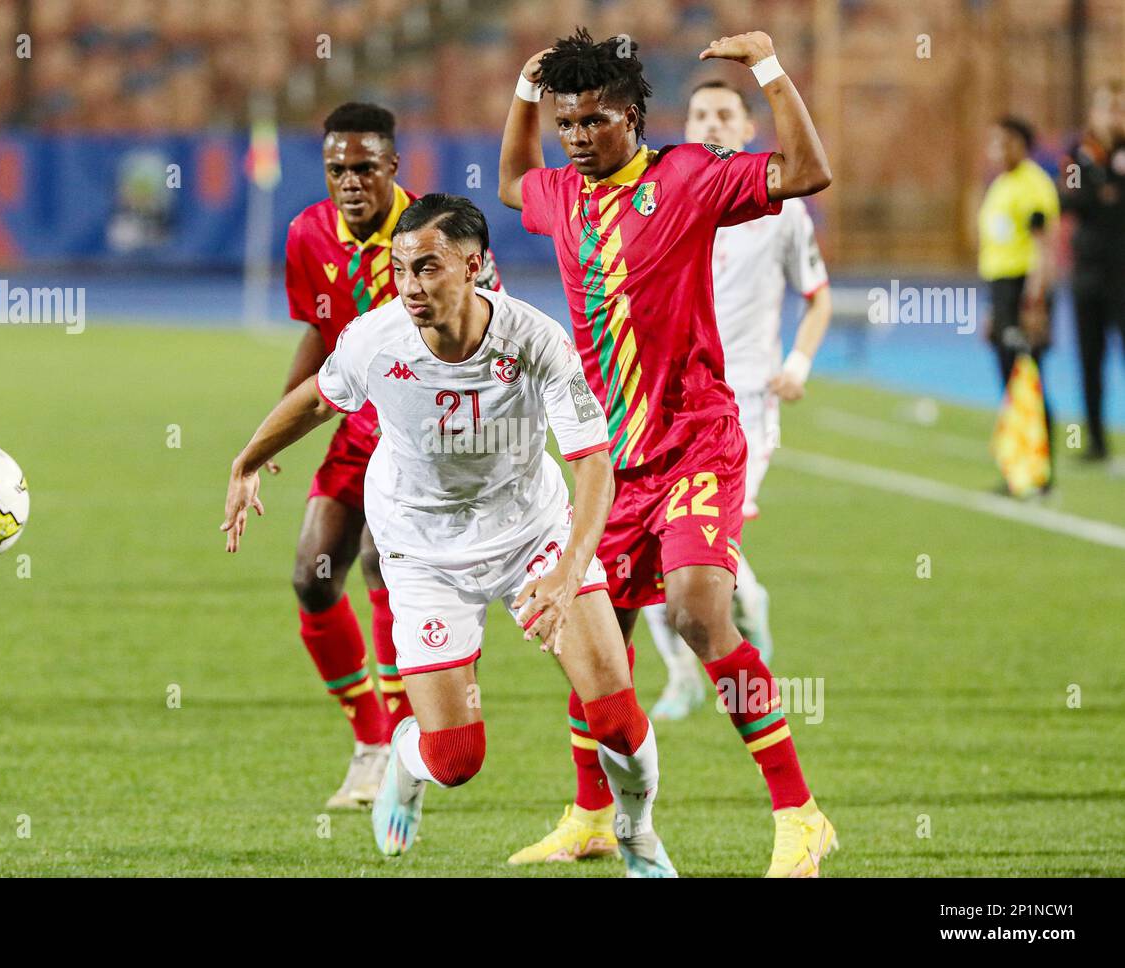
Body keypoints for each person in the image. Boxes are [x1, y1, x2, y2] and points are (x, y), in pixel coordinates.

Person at [222, 194, 676, 876]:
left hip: (532, 534)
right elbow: (320, 397)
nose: (410, 286)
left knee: (614, 714)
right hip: (423, 548)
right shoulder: (377, 339)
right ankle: (407, 763)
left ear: (474, 266)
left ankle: (636, 832)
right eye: (401, 269)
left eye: (427, 268)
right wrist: (247, 461)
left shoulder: (536, 340)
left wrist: (567, 569)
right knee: (456, 761)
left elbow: (591, 464)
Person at [499, 28, 838, 876]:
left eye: (591, 121)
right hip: (610, 462)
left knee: (694, 611)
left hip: (694, 439)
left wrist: (767, 66)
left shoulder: (685, 176)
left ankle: (800, 814)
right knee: (593, 637)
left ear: (631, 116)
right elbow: (510, 182)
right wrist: (519, 93)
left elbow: (806, 173)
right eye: (563, 122)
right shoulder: (560, 195)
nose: (575, 137)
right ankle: (587, 816)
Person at [280, 102, 502, 809]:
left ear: (392, 168)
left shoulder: (433, 238)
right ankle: (373, 740)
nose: (349, 181)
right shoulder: (308, 233)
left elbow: (487, 331)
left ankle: (409, 735)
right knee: (313, 577)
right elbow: (323, 330)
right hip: (355, 431)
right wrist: (282, 420)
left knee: (382, 561)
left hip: (424, 436)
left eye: (364, 168)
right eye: (337, 169)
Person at [642, 79, 832, 720]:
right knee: (648, 548)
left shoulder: (782, 208)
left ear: (749, 130)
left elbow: (818, 296)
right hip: (664, 405)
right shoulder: (660, 197)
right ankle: (681, 675)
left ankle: (749, 616)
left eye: (726, 115)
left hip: (744, 403)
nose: (712, 125)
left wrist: (798, 363)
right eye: (700, 114)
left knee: (702, 552)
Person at [979, 115, 1060, 489]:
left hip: (1023, 289)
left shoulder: (1033, 185)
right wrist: (995, 310)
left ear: (1022, 145)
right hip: (1002, 290)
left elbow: (1043, 248)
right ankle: (1018, 468)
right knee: (1011, 382)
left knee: (1029, 379)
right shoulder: (1001, 184)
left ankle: (1041, 472)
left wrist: (1034, 302)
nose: (998, 149)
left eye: (1005, 142)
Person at [1061, 81, 1125, 462]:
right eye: (1107, 107)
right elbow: (1070, 198)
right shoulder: (1079, 153)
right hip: (1087, 273)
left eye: (1119, 108)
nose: (1113, 116)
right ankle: (1096, 441)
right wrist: (1102, 187)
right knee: (1089, 358)